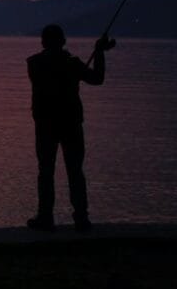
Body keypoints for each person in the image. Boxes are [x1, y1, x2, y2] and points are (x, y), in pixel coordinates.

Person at [26, 24, 115, 232]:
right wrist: (99, 53)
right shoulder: (70, 64)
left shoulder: (35, 64)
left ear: (43, 42)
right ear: (63, 41)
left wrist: (98, 52)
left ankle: (46, 217)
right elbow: (97, 78)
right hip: (70, 125)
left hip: (47, 126)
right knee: (74, 172)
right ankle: (81, 218)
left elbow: (93, 79)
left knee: (46, 172)